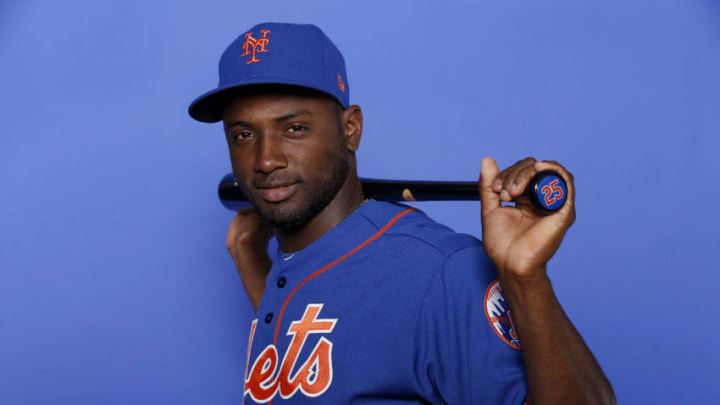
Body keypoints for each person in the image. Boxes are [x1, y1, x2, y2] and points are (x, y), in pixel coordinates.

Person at [188, 22, 615, 404]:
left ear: (350, 128)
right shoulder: (286, 264)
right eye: (243, 135)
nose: (265, 160)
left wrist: (526, 280)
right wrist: (253, 262)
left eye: (294, 128)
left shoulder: (439, 271)